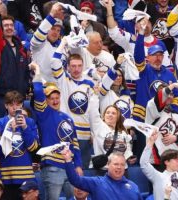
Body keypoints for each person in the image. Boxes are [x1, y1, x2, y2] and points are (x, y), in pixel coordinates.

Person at [30, 62, 82, 200]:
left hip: (69, 167)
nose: (54, 101)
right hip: (52, 166)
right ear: (46, 101)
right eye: (51, 98)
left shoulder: (68, 118)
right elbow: (38, 92)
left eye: (57, 98)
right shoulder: (43, 113)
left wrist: (78, 165)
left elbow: (75, 144)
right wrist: (38, 72)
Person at [50, 39, 95, 169]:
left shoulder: (90, 84)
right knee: (66, 169)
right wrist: (63, 43)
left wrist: (93, 132)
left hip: (84, 134)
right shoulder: (63, 80)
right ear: (68, 67)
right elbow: (54, 61)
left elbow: (92, 110)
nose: (76, 69)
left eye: (79, 66)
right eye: (73, 66)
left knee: (83, 171)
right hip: (66, 132)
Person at [0, 1, 30, 129]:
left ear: (15, 28)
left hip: (18, 98)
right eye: (5, 25)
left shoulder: (21, 47)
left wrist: (25, 87)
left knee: (19, 132)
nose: (9, 27)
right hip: (0, 97)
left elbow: (25, 72)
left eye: (11, 25)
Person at [0, 91, 39, 200]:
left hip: (27, 177)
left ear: (22, 105)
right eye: (11, 105)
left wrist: (25, 128)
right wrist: (9, 130)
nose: (15, 108)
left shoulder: (30, 122)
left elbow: (33, 148)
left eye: (18, 104)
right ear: (6, 106)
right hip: (7, 177)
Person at [61, 150, 143, 200]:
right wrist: (68, 160)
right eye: (116, 164)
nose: (119, 167)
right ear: (108, 165)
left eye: (122, 165)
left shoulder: (133, 187)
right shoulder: (96, 183)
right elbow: (74, 180)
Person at [88, 94, 135, 171]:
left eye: (113, 113)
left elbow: (127, 149)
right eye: (108, 112)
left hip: (121, 170)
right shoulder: (98, 126)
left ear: (118, 117)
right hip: (104, 170)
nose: (110, 115)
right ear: (104, 115)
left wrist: (130, 157)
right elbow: (93, 112)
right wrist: (95, 96)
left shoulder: (123, 131)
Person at [140, 131, 178, 200]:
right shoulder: (157, 177)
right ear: (167, 162)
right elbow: (144, 163)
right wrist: (150, 143)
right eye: (176, 159)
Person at [30, 1, 65, 83]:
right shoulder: (39, 44)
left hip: (59, 91)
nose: (55, 32)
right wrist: (51, 16)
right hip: (42, 89)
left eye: (58, 30)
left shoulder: (62, 47)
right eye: (52, 29)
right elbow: (39, 35)